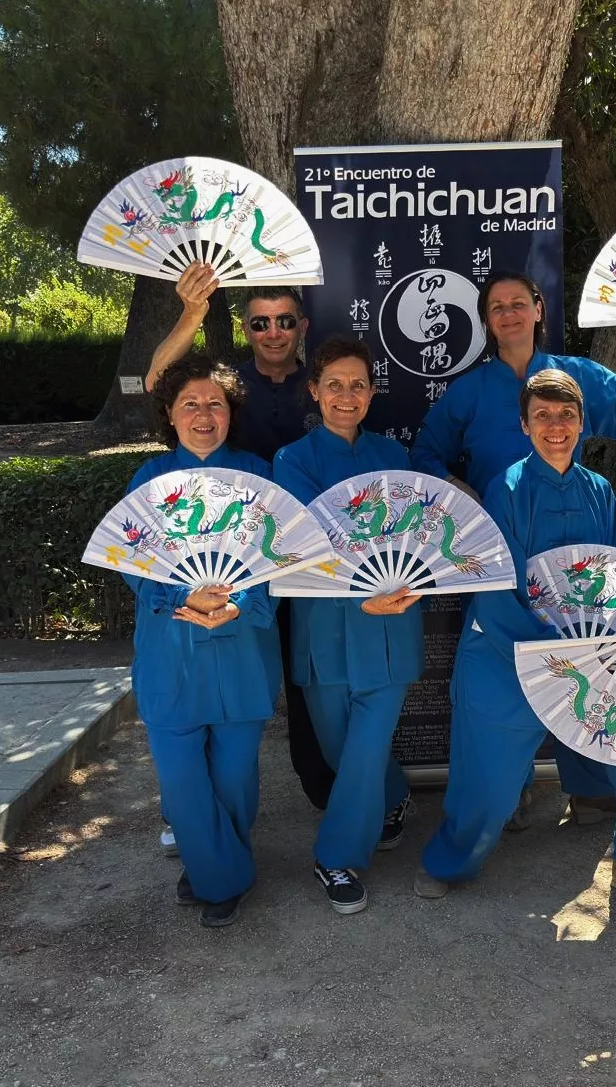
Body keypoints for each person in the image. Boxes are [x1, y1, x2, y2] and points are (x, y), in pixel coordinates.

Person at [415, 370, 616, 910]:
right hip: (506, 648)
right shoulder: (506, 489)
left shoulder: (599, 490)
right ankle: (453, 859)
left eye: (566, 415)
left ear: (583, 423)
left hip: (590, 651)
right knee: (488, 784)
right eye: (542, 415)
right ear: (524, 425)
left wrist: (614, 644)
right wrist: (548, 646)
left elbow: (615, 573)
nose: (556, 426)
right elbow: (495, 582)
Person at [410, 270, 616, 822]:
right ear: (486, 320)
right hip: (498, 544)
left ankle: (587, 785)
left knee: (586, 658)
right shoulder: (470, 389)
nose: (508, 313)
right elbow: (425, 455)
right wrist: (464, 493)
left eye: (519, 303)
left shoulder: (573, 375)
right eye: (496, 306)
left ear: (539, 309)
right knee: (509, 674)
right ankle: (507, 788)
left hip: (575, 535)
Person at [147, 267, 408, 844]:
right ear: (246, 329)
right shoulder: (227, 383)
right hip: (237, 551)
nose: (273, 331)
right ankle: (192, 816)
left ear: (301, 327)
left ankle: (339, 793)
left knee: (319, 683)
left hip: (306, 563)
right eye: (260, 322)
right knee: (289, 678)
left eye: (284, 320)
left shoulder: (350, 420)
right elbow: (162, 382)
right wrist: (191, 313)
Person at [125, 355, 282, 928]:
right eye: (189, 403)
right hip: (172, 651)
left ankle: (213, 864)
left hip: (241, 647)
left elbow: (283, 558)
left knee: (236, 775)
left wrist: (242, 602)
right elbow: (130, 560)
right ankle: (222, 876)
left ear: (230, 413)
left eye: (215, 402)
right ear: (169, 414)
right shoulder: (147, 480)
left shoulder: (260, 475)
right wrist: (177, 599)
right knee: (182, 777)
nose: (203, 413)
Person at [273, 337, 423, 915]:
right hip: (323, 631)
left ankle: (335, 858)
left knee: (362, 749)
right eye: (334, 384)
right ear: (314, 391)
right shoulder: (292, 460)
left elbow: (412, 538)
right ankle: (396, 795)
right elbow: (318, 539)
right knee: (340, 750)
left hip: (388, 627)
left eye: (357, 384)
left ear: (371, 392)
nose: (346, 395)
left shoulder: (395, 456)